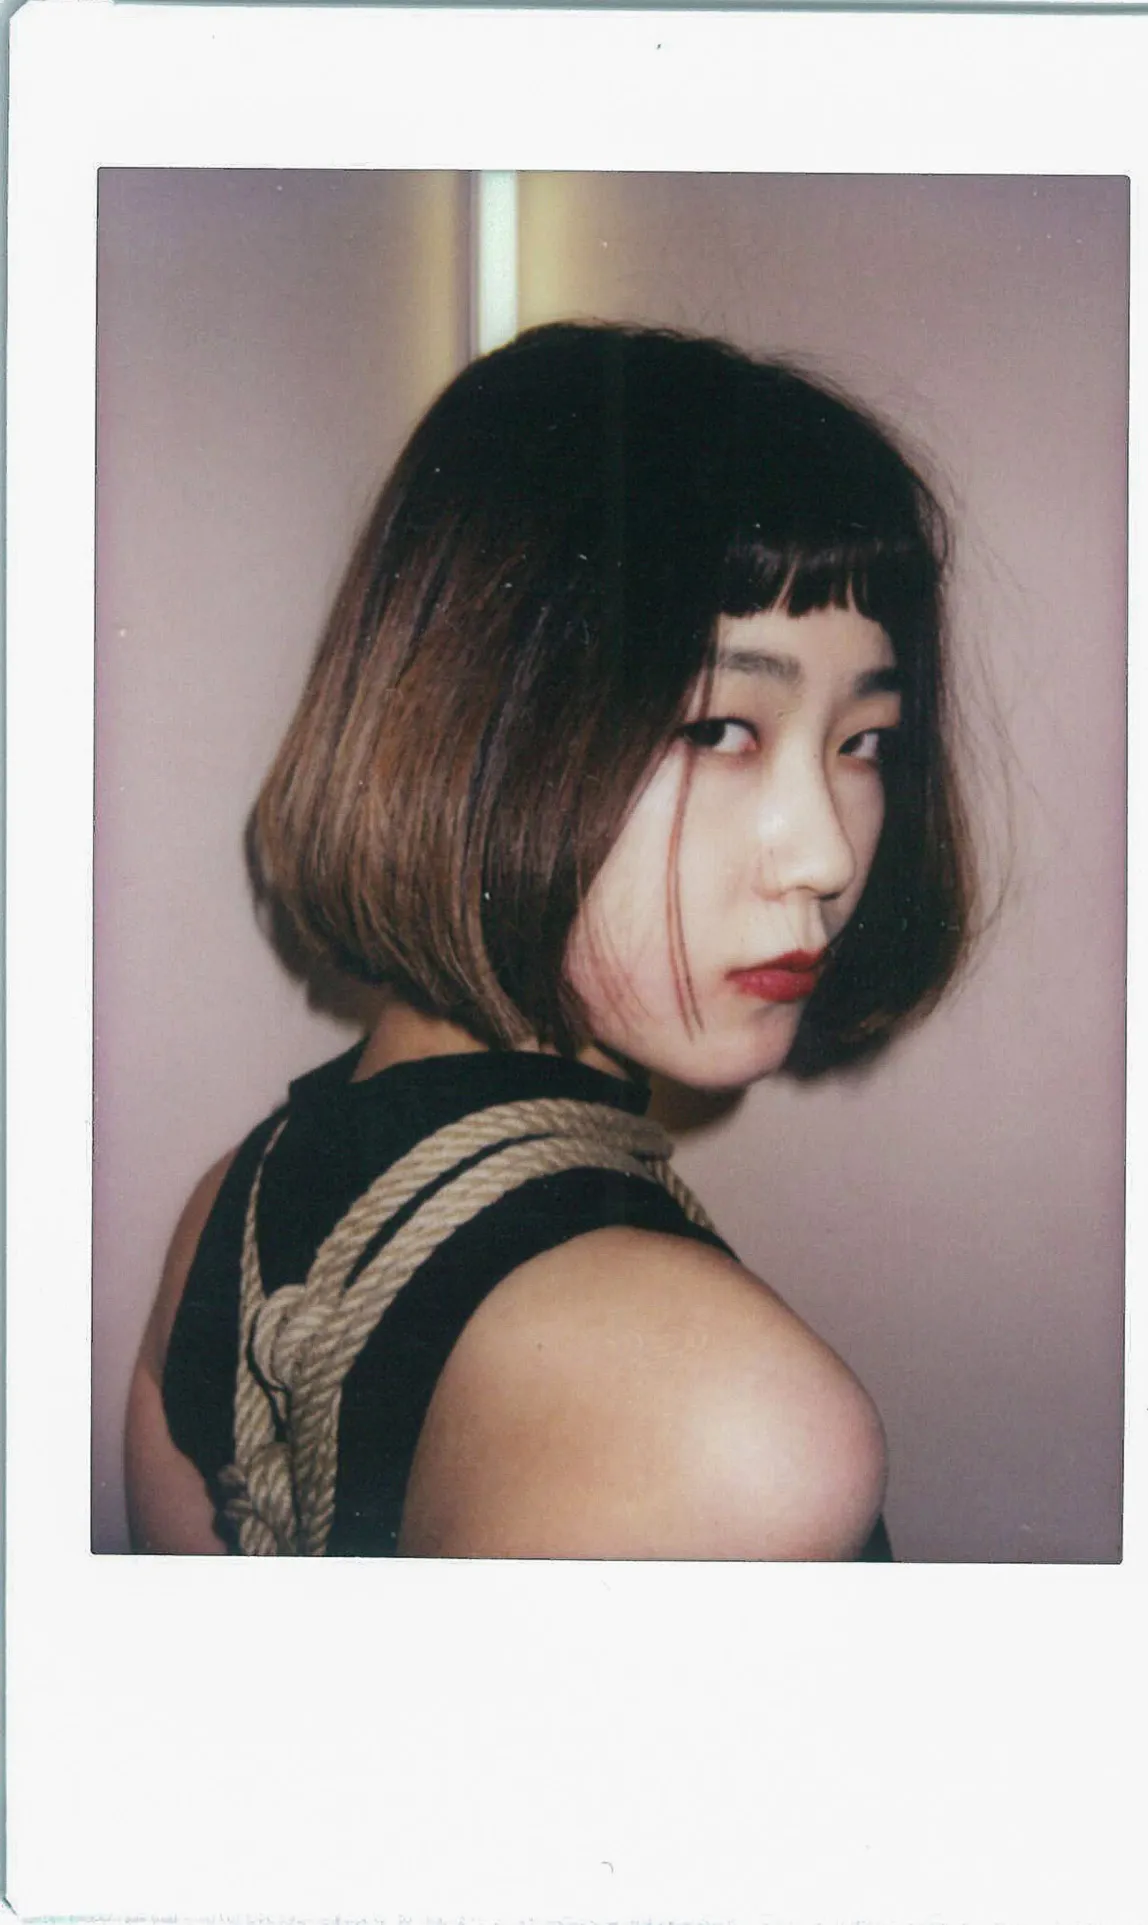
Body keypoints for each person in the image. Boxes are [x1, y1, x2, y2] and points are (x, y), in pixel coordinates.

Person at [124, 321, 972, 1559]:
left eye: (864, 742)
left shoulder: (230, 1207)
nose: (829, 854)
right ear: (475, 729)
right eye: (721, 729)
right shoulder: (739, 1420)